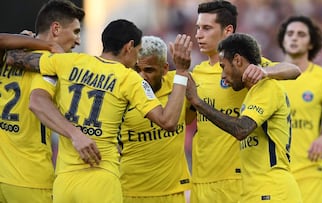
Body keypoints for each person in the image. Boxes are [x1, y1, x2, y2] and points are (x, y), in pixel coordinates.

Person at [5, 19, 193, 203]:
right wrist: (182, 72)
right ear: (129, 47)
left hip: (64, 183)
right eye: (137, 53)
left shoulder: (69, 62)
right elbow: (168, 122)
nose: (137, 61)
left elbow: (11, 58)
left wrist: (32, 42)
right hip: (101, 180)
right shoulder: (129, 78)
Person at [188, 1, 301, 202]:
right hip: (203, 181)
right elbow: (184, 120)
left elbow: (294, 70)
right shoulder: (197, 74)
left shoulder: (249, 69)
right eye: (197, 27)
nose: (198, 34)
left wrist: (265, 72)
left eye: (206, 28)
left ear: (227, 30)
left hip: (243, 182)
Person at [0, 1, 85, 202]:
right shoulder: (52, 64)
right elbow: (37, 102)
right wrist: (76, 134)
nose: (78, 40)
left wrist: (30, 41)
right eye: (75, 32)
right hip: (30, 179)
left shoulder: (12, 54)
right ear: (56, 29)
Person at [277, 15, 322, 203]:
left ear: (311, 44)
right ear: (283, 40)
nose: (294, 38)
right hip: (276, 174)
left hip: (309, 172)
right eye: (290, 34)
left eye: (301, 34)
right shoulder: (268, 76)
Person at [119, 36, 191, 203]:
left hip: (174, 192)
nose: (142, 77)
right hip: (130, 192)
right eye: (137, 70)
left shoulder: (179, 85)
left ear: (165, 68)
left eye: (149, 70)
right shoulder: (123, 90)